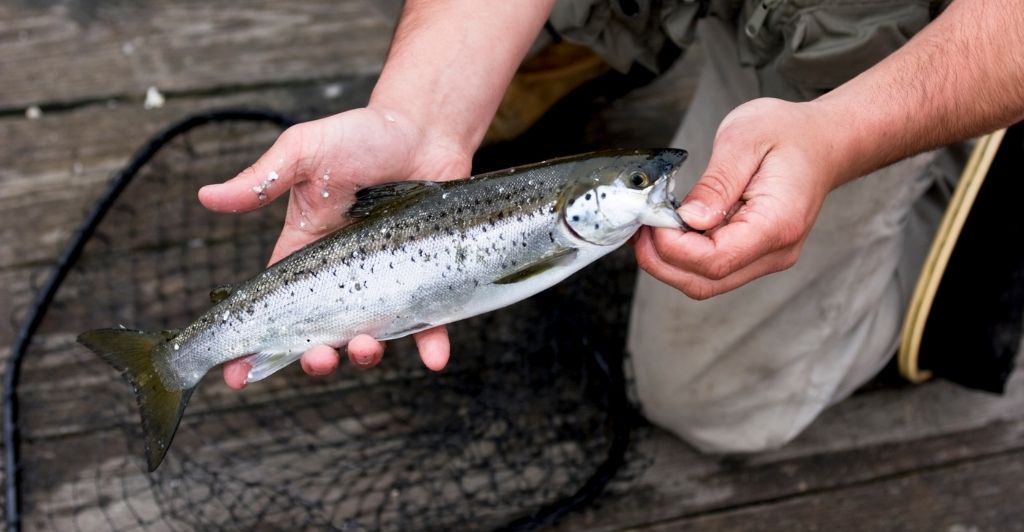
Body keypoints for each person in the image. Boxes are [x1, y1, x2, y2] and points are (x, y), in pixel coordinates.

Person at [198, 0, 1024, 452]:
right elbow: (423, 98)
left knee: (715, 406)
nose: (651, 181)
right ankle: (630, 28)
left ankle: (955, 149)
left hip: (886, 37)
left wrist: (843, 138)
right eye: (639, 181)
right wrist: (420, 113)